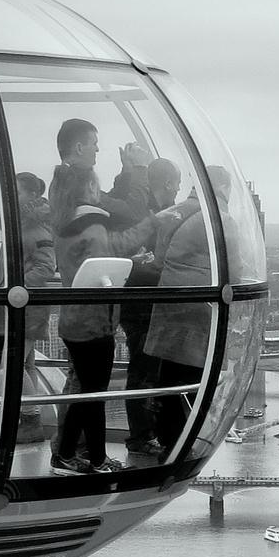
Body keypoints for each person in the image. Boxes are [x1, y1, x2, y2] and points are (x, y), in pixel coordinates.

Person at [47, 163, 173, 474]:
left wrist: (128, 261)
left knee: (85, 394)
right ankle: (93, 459)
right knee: (94, 396)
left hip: (74, 319)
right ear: (88, 188)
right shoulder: (92, 226)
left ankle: (66, 456)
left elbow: (92, 261)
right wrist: (153, 221)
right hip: (94, 321)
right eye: (96, 185)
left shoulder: (67, 224)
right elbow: (112, 248)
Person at [145, 166, 234, 455]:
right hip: (200, 310)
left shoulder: (176, 211)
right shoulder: (219, 217)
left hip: (169, 304)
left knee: (169, 375)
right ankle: (185, 442)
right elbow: (236, 266)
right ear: (222, 189)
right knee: (198, 377)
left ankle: (168, 437)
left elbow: (158, 260)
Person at [112, 157, 182, 456]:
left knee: (144, 369)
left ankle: (145, 434)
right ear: (167, 184)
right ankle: (141, 437)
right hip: (141, 304)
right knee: (143, 371)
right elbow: (129, 258)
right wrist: (162, 269)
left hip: (136, 302)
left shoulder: (139, 207)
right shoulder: (149, 213)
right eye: (176, 185)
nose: (177, 192)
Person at [0, 172, 55, 442]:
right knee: (25, 365)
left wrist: (16, 289)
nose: (12, 197)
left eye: (18, 193)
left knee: (12, 363)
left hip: (22, 307)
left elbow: (46, 267)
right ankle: (29, 422)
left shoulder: (36, 229)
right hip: (17, 307)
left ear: (33, 196)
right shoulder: (22, 227)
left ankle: (31, 420)